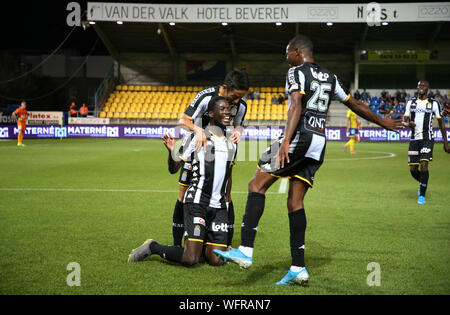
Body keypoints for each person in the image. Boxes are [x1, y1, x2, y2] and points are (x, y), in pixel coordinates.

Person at [214, 34, 404, 286]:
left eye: (286, 53)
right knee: (295, 202)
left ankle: (245, 251)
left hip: (299, 137)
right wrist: (383, 122)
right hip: (318, 141)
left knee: (256, 184)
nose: (285, 58)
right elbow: (354, 104)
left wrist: (285, 141)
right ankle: (298, 268)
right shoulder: (331, 76)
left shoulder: (296, 72)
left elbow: (295, 104)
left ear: (296, 51)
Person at [128, 96, 236, 267]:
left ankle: (203, 244)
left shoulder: (232, 143)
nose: (228, 112)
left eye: (228, 109)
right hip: (197, 202)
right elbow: (174, 168)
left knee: (217, 260)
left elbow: (228, 175)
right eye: (222, 109)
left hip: (219, 206)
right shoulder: (198, 136)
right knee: (190, 258)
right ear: (211, 114)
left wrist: (227, 200)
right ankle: (153, 247)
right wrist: (171, 152)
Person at [171, 70, 249, 250]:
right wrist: (198, 130)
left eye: (241, 97)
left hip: (222, 151)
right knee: (183, 195)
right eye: (235, 96)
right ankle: (177, 243)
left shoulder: (241, 105)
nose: (237, 102)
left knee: (226, 195)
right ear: (225, 88)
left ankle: (226, 244)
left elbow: (239, 125)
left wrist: (238, 132)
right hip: (196, 148)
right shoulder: (206, 97)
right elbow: (183, 120)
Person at [403, 80, 449, 205]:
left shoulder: (434, 103)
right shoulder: (411, 103)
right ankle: (423, 183)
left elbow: (441, 124)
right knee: (413, 169)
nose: (421, 87)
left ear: (428, 88)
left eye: (423, 86)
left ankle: (422, 195)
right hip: (414, 139)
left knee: (424, 165)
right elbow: (404, 121)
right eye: (419, 86)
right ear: (417, 88)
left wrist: (446, 142)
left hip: (427, 138)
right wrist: (408, 124)